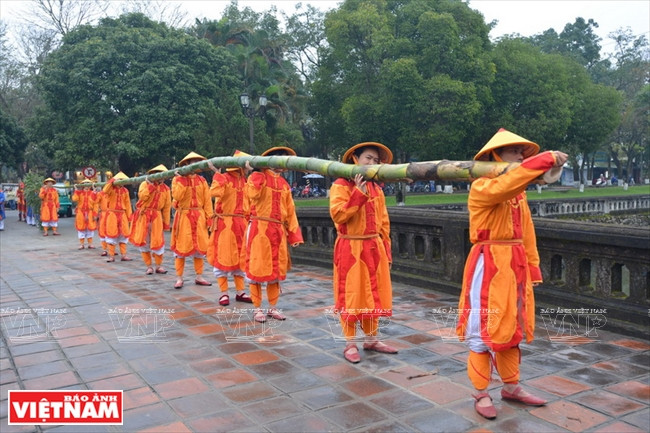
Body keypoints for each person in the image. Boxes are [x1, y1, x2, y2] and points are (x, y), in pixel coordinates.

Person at [455, 128, 568, 419]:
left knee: (513, 327)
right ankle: (481, 392)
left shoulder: (518, 195)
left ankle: (511, 386)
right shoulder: (482, 186)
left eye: (522, 152)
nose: (520, 156)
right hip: (490, 263)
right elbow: (507, 184)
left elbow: (527, 233)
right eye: (514, 151)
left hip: (515, 263)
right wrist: (544, 161)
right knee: (484, 328)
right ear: (495, 156)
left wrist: (532, 267)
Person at [329, 142, 398, 363]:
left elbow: (384, 222)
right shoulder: (341, 185)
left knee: (373, 294)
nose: (372, 163)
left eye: (376, 160)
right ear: (355, 159)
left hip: (373, 246)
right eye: (368, 158)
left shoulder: (376, 188)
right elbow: (338, 216)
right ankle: (350, 343)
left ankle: (371, 339)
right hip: (351, 247)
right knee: (352, 295)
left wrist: (386, 249)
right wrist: (357, 194)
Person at [245, 146, 303, 322]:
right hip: (259, 230)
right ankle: (257, 308)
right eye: (278, 158)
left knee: (276, 271)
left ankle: (272, 307)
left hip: (278, 231)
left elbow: (290, 210)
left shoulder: (284, 184)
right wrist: (255, 173)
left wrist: (293, 234)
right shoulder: (258, 177)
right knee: (257, 268)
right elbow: (252, 195)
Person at [206, 151, 253, 306]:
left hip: (241, 224)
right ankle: (224, 293)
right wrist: (216, 174)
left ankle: (241, 292)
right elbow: (214, 192)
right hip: (225, 224)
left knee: (241, 259)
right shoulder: (225, 178)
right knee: (223, 258)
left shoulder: (245, 181)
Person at [170, 152, 214, 289]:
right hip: (183, 217)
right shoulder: (177, 180)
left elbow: (207, 201)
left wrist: (209, 218)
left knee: (200, 248)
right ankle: (179, 277)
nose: (194, 164)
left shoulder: (202, 181)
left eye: (196, 162)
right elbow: (176, 197)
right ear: (187, 164)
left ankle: (199, 276)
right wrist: (182, 181)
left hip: (199, 216)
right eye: (192, 162)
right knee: (180, 248)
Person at [129, 164, 172, 275]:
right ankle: (149, 266)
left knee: (158, 241)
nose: (160, 177)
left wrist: (166, 223)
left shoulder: (166, 189)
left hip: (156, 217)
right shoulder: (144, 184)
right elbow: (142, 197)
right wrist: (150, 186)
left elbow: (167, 207)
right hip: (143, 215)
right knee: (144, 241)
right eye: (157, 173)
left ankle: (159, 266)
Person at [101, 171, 133, 262]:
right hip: (112, 214)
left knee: (123, 234)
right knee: (111, 234)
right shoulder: (111, 189)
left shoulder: (125, 191)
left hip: (122, 214)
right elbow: (105, 190)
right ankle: (111, 255)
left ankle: (124, 255)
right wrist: (112, 181)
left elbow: (128, 204)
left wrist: (129, 217)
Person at [72, 179, 99, 249]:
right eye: (85, 183)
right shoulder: (80, 193)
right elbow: (75, 199)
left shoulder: (93, 193)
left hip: (90, 212)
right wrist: (76, 191)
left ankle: (90, 244)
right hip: (81, 212)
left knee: (90, 229)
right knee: (81, 228)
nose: (87, 185)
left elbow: (96, 204)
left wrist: (95, 214)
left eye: (88, 184)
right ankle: (82, 244)